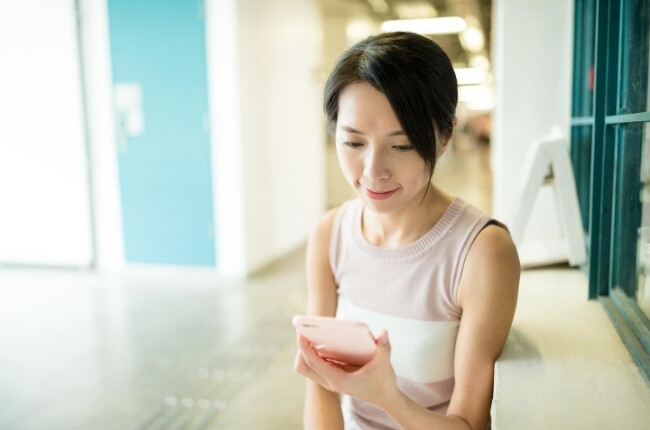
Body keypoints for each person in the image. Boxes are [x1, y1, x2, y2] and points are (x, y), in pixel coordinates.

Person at [293, 31, 520, 430]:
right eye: (353, 142)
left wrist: (387, 396)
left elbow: (469, 423)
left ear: (445, 136)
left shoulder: (482, 252)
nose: (372, 171)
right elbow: (322, 387)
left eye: (401, 146)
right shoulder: (330, 234)